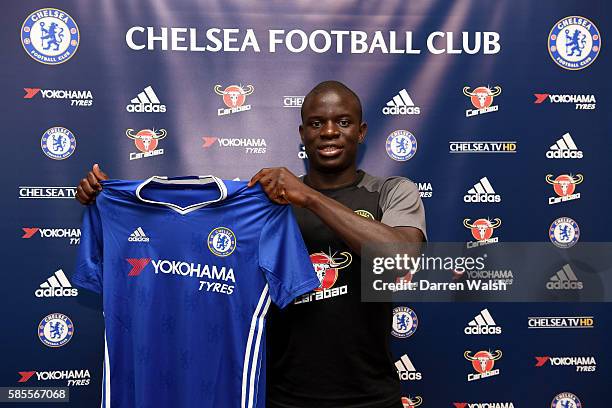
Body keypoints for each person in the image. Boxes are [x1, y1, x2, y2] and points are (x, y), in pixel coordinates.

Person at [76, 80, 426, 408]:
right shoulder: (270, 203)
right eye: (317, 123)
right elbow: (187, 248)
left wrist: (309, 197)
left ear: (361, 132)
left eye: (343, 122)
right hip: (281, 395)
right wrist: (106, 201)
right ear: (302, 135)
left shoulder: (391, 192)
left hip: (370, 396)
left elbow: (401, 257)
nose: (330, 131)